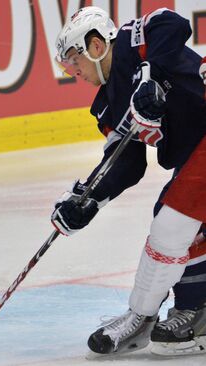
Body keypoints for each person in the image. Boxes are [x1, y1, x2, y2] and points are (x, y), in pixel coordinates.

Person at [52, 7, 206, 355]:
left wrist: (149, 78)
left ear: (95, 45)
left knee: (172, 224)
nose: (74, 72)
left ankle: (142, 315)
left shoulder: (134, 43)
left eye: (74, 61)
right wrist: (87, 200)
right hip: (195, 158)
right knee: (181, 226)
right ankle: (193, 310)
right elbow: (125, 164)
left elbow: (173, 23)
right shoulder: (107, 107)